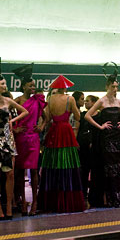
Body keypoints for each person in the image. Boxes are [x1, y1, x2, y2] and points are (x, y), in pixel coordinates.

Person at [0, 59, 29, 220]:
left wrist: (11, 121)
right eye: (2, 83)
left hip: (8, 139)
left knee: (10, 174)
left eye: (5, 84)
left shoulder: (8, 101)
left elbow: (25, 112)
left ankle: (9, 205)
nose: (5, 86)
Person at [37, 75, 86, 213]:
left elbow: (47, 118)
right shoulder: (70, 99)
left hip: (53, 131)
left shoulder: (50, 99)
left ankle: (50, 201)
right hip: (66, 131)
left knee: (52, 163)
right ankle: (68, 199)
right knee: (68, 162)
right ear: (65, 87)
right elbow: (78, 116)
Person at [85, 63, 120, 208]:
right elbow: (87, 115)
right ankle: (109, 198)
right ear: (107, 87)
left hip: (117, 137)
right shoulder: (101, 101)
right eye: (113, 87)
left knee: (119, 167)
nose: (115, 89)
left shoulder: (119, 102)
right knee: (108, 168)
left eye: (116, 87)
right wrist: (100, 126)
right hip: (106, 138)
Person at [12, 63, 47, 216]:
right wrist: (14, 129)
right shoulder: (18, 100)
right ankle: (22, 201)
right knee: (20, 171)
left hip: (33, 138)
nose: (33, 88)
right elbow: (8, 117)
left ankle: (35, 202)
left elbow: (46, 117)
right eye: (31, 85)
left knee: (33, 170)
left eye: (34, 85)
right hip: (21, 138)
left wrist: (41, 127)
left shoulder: (37, 100)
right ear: (23, 86)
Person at [77, 94, 98, 202]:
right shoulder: (82, 115)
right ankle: (83, 192)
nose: (85, 103)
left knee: (94, 169)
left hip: (95, 145)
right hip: (83, 145)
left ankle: (94, 194)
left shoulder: (99, 115)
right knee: (84, 170)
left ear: (94, 103)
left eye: (88, 101)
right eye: (84, 100)